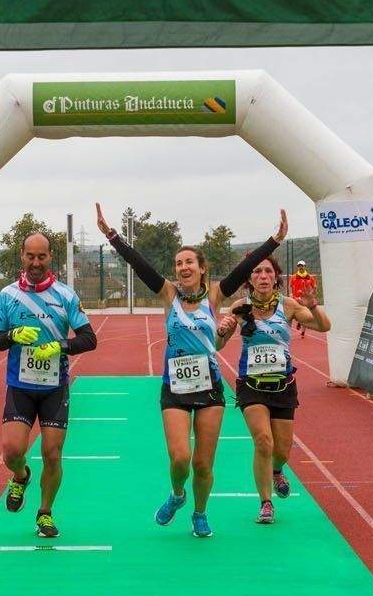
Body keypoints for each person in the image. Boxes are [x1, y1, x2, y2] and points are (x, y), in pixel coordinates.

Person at [98, 203, 287, 538]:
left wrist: (274, 240)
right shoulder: (168, 294)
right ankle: (177, 494)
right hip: (175, 386)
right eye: (178, 263)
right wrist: (112, 236)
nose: (183, 267)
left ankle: (200, 512)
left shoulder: (214, 296)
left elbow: (245, 267)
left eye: (189, 262)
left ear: (202, 268)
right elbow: (139, 265)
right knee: (181, 458)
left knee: (202, 463)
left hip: (210, 386)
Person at [0, 232, 99, 538]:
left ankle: (45, 513)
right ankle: (21, 475)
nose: (36, 263)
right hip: (20, 386)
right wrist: (12, 335)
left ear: (51, 258)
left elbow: (90, 339)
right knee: (12, 450)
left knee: (52, 453)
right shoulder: (8, 296)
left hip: (54, 387)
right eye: (30, 256)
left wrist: (60, 346)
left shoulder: (66, 296)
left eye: (42, 257)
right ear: (21, 256)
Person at [219, 255, 331, 524]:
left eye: (268, 271)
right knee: (263, 442)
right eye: (257, 271)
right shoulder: (239, 307)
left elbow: (324, 326)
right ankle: (265, 503)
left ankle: (278, 469)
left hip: (283, 386)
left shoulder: (289, 306)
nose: (263, 276)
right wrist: (222, 331)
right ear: (249, 278)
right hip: (251, 385)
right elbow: (217, 345)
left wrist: (313, 306)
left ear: (276, 276)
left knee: (282, 449)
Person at [288, 260, 317, 337]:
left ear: (305, 266)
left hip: (306, 300)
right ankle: (299, 322)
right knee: (297, 314)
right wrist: (291, 294)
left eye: (302, 266)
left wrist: (311, 294)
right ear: (298, 267)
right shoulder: (294, 277)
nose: (301, 267)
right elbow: (290, 287)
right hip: (296, 299)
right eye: (299, 266)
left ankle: (303, 332)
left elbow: (314, 287)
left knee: (305, 315)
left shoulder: (310, 277)